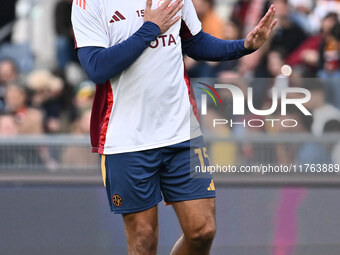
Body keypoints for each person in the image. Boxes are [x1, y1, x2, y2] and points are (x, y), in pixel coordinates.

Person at [71, 0, 277, 254]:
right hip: (126, 138)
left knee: (203, 231)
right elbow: (97, 67)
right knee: (144, 241)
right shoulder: (89, 3)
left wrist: (243, 46)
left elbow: (195, 42)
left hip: (181, 131)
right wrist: (150, 29)